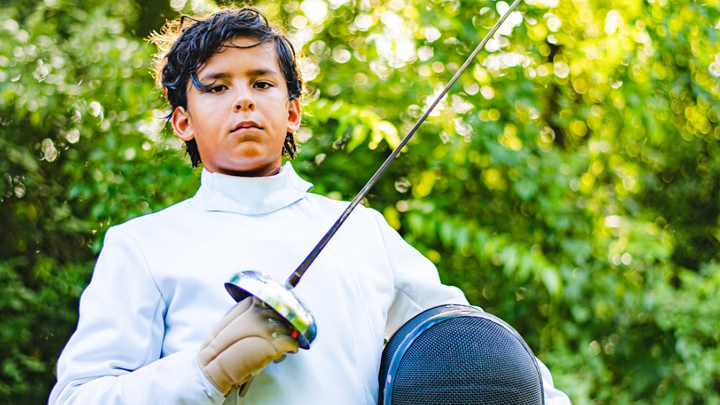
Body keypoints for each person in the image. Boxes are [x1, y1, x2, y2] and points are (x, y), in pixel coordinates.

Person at [49, 7, 571, 405]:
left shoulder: (362, 231)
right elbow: (78, 397)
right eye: (217, 87)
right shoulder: (143, 246)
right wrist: (204, 373)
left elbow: (476, 345)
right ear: (183, 121)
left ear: (293, 111)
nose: (243, 99)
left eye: (261, 83)